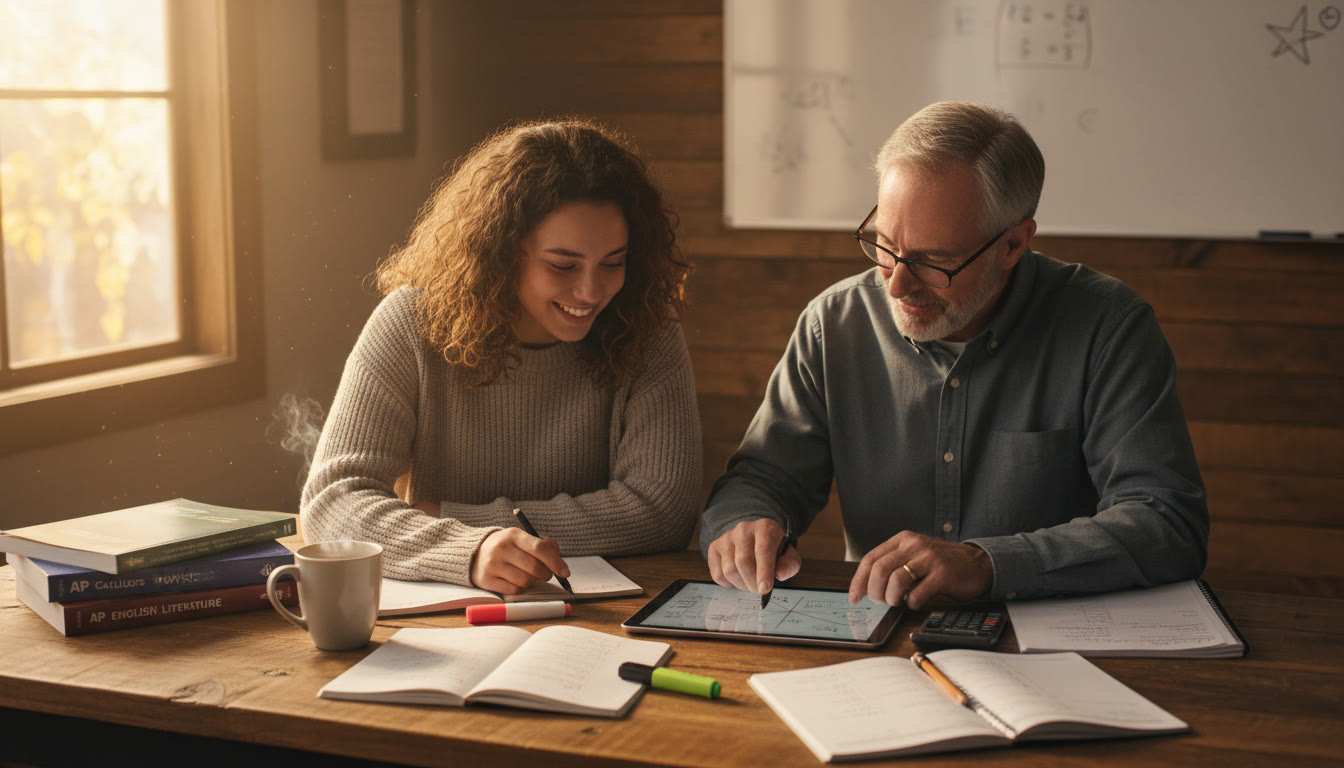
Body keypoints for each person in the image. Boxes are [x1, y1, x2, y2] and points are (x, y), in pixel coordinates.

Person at [699, 101, 1208, 610]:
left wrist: (990, 562)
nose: (896, 283)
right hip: (876, 635)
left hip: (1047, 639)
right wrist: (744, 524)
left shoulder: (1107, 328)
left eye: (934, 260)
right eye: (883, 245)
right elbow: (763, 478)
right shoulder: (833, 324)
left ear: (1013, 244)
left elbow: (1166, 520)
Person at [302, 119, 702, 595]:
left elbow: (662, 512)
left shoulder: (648, 329)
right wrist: (469, 549)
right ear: (502, 251)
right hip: (447, 615)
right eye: (562, 265)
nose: (591, 291)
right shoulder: (411, 322)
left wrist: (448, 517)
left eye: (613, 263)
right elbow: (332, 500)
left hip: (597, 613)